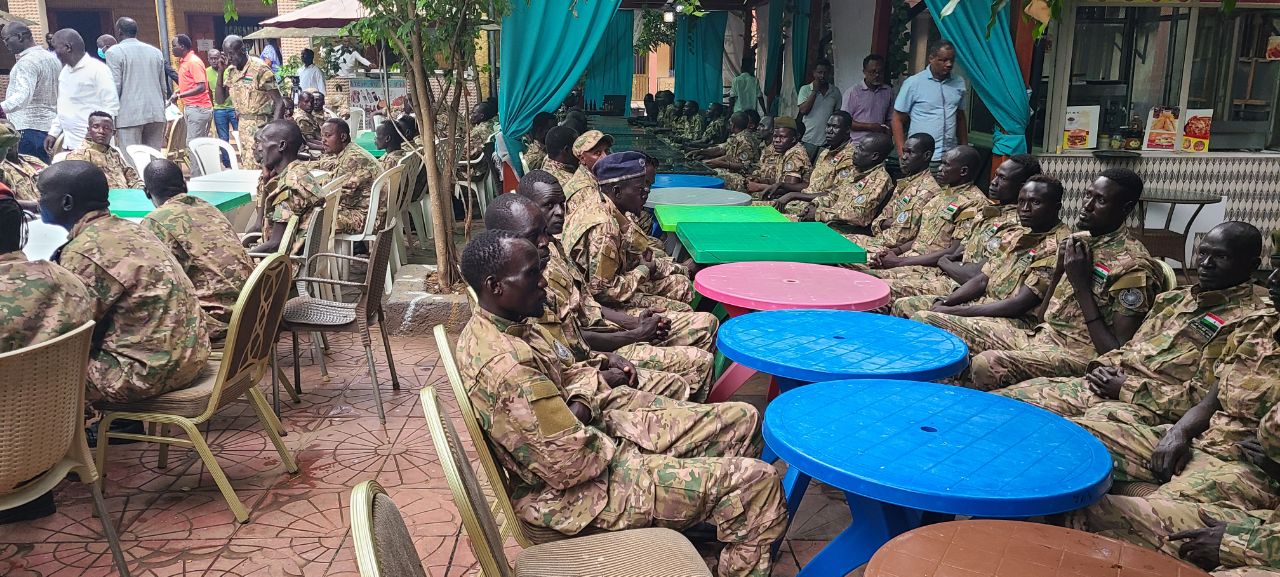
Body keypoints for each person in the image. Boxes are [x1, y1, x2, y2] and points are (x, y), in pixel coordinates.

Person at [456, 229, 787, 577]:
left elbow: (568, 371)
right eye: (531, 274)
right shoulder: (509, 368)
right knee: (756, 483)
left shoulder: (514, 326)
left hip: (591, 448)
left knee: (743, 419)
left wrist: (595, 385)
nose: (543, 281)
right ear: (495, 286)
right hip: (575, 497)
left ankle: (709, 522)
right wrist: (632, 440)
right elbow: (571, 464)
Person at [1068, 310, 1280, 575]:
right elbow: (1209, 401)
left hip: (1243, 465)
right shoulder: (1259, 325)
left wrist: (1237, 543)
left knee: (1114, 518)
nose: (1273, 287)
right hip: (1201, 437)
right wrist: (1179, 434)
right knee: (1070, 443)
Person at [998, 222, 1268, 422]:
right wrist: (1103, 368)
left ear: (1252, 265)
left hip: (1145, 407)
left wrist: (1126, 387)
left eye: (1221, 257)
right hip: (1106, 383)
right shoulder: (1175, 299)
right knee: (1005, 404)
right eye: (1203, 253)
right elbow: (1129, 348)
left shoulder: (1247, 324)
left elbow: (1201, 400)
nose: (1206, 263)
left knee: (1050, 434)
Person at [483, 194, 708, 400]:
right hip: (586, 373)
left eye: (545, 232)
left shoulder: (547, 257)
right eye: (534, 235)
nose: (545, 241)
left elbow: (585, 307)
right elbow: (572, 347)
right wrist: (633, 336)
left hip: (595, 352)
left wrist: (631, 328)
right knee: (695, 364)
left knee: (702, 325)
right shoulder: (524, 290)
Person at [960, 168, 1162, 390]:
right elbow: (1043, 317)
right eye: (1088, 195)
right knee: (938, 326)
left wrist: (1080, 285)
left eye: (1101, 200)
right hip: (1039, 337)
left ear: (1126, 208)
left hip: (1077, 355)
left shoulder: (1134, 267)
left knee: (987, 364)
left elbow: (1116, 354)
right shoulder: (1078, 242)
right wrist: (1059, 272)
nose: (1087, 206)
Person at [38, 160, 210, 405]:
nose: (38, 201)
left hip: (148, 373)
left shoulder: (84, 252)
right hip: (190, 356)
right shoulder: (133, 230)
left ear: (66, 202)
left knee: (33, 371)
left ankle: (70, 430)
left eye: (42, 194)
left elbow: (66, 332)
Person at [903, 174, 1070, 325]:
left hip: (1013, 320)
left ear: (1056, 207)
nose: (1025, 208)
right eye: (1021, 201)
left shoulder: (1058, 246)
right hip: (983, 303)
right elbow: (982, 279)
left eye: (1035, 202)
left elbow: (1018, 304)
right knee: (905, 305)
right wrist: (947, 301)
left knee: (925, 318)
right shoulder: (1017, 235)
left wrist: (953, 311)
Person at [876, 154, 1040, 298]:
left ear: (1022, 187)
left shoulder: (1017, 225)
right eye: (996, 175)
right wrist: (897, 253)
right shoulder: (987, 213)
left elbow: (974, 270)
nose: (993, 182)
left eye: (1002, 178)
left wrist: (901, 262)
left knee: (880, 286)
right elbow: (956, 252)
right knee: (872, 277)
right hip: (943, 273)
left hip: (961, 285)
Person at [562, 152, 696, 313]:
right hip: (597, 307)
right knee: (684, 303)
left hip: (607, 290)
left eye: (647, 186)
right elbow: (603, 292)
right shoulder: (605, 228)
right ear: (617, 191)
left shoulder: (600, 203)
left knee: (680, 283)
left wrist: (676, 268)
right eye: (640, 188)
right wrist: (644, 270)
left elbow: (636, 253)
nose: (646, 192)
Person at [141, 159, 253, 341]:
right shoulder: (208, 208)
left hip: (222, 320)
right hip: (254, 307)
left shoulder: (154, 222)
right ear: (185, 185)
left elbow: (152, 283)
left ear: (146, 192)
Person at [871, 145, 985, 273]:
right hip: (910, 257)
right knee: (865, 262)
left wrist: (899, 262)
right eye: (941, 163)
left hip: (931, 268)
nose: (939, 168)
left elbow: (953, 251)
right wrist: (893, 252)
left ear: (963, 171)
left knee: (868, 274)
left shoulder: (973, 203)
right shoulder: (942, 195)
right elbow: (922, 237)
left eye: (946, 165)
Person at [844, 133, 941, 254]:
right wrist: (890, 223)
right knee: (834, 241)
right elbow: (879, 221)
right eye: (904, 151)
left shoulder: (929, 191)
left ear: (926, 156)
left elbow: (904, 235)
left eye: (910, 153)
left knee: (839, 248)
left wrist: (891, 223)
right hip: (879, 240)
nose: (903, 157)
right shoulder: (905, 184)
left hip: (894, 251)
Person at [247, 120, 322, 255]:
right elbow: (261, 226)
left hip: (284, 263)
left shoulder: (290, 186)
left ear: (281, 146)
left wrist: (244, 256)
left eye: (263, 142)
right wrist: (267, 182)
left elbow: (275, 245)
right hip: (288, 255)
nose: (259, 148)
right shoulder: (298, 171)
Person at [893, 40, 967, 163]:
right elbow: (897, 119)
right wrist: (902, 154)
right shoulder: (913, 83)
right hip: (920, 157)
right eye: (944, 60)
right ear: (931, 59)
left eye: (952, 60)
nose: (949, 64)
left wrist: (964, 149)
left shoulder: (959, 82)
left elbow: (960, 117)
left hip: (950, 157)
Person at [45, 29, 118, 154]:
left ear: (68, 47)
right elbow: (63, 106)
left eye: (55, 48)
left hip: (93, 147)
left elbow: (111, 106)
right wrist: (53, 133)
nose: (54, 52)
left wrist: (98, 136)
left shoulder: (97, 69)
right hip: (69, 144)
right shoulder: (65, 72)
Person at [219, 35, 284, 170]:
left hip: (262, 127)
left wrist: (273, 133)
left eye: (232, 53)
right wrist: (221, 72)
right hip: (243, 128)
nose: (229, 58)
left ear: (242, 50)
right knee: (249, 167)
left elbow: (279, 102)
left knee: (265, 169)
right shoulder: (231, 71)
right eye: (226, 54)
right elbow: (220, 99)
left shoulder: (260, 69)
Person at [106, 18, 169, 151]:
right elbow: (163, 87)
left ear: (119, 31)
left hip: (129, 116)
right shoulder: (155, 52)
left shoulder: (114, 52)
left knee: (131, 158)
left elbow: (115, 87)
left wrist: (110, 117)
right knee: (154, 158)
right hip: (156, 113)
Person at [1, 22, 60, 162]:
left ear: (20, 36)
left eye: (6, 39)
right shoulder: (52, 59)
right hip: (50, 128)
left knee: (31, 172)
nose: (5, 44)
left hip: (27, 130)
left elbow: (22, 97)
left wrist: (1, 109)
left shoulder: (26, 63)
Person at [317, 118, 381, 235]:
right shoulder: (351, 151)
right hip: (373, 210)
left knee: (312, 219)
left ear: (342, 137)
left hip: (367, 217)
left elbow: (331, 195)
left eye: (328, 135)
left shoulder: (351, 159)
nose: (323, 140)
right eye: (322, 136)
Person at [168, 34, 213, 174]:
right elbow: (190, 84)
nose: (172, 49)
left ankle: (197, 178)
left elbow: (201, 87)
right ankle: (201, 175)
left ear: (182, 46)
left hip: (198, 109)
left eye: (174, 46)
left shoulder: (193, 62)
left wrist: (180, 95)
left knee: (193, 145)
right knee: (195, 144)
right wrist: (178, 91)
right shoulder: (184, 62)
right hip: (192, 108)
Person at [67, 111, 141, 189]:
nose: (101, 131)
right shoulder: (78, 156)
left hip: (126, 194)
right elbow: (78, 187)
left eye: (106, 128)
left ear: (113, 132)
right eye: (96, 127)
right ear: (89, 130)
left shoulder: (114, 153)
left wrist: (140, 189)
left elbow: (133, 178)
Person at [744, 117, 811, 200]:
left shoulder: (795, 154)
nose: (777, 140)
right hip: (780, 197)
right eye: (775, 136)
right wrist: (760, 180)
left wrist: (760, 186)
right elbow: (780, 180)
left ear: (793, 139)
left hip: (791, 201)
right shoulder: (784, 150)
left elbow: (789, 188)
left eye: (782, 137)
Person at [694, 112, 762, 191]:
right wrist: (700, 152)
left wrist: (720, 164)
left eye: (730, 123)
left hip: (744, 177)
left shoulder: (745, 140)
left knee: (711, 175)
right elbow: (722, 150)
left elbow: (745, 166)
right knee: (706, 170)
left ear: (733, 125)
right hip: (733, 171)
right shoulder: (737, 137)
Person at [842, 54, 893, 144]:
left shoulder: (888, 91)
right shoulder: (853, 92)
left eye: (880, 72)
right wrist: (869, 127)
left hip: (878, 143)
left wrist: (888, 133)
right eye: (872, 72)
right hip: (857, 144)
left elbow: (890, 118)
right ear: (864, 72)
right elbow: (844, 121)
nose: (877, 75)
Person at [796, 59, 841, 158]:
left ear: (830, 73)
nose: (822, 76)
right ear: (814, 73)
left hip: (827, 141)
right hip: (807, 139)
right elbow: (803, 110)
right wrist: (814, 91)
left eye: (825, 73)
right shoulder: (805, 89)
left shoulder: (835, 91)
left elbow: (837, 115)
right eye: (819, 72)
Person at [561, 129, 611, 217]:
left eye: (607, 151)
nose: (605, 157)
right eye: (597, 153)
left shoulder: (597, 178)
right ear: (582, 159)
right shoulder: (584, 190)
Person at [206, 48, 238, 168]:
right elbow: (207, 91)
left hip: (233, 107)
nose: (214, 61)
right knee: (223, 138)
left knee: (239, 134)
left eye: (216, 58)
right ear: (208, 59)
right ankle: (227, 163)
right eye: (211, 58)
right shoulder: (206, 72)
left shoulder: (229, 70)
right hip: (218, 109)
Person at [3, 126, 48, 203]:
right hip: (25, 209)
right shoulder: (2, 170)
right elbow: (5, 202)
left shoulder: (32, 160)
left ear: (18, 140)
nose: (9, 146)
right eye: (4, 142)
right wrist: (35, 205)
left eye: (11, 140)